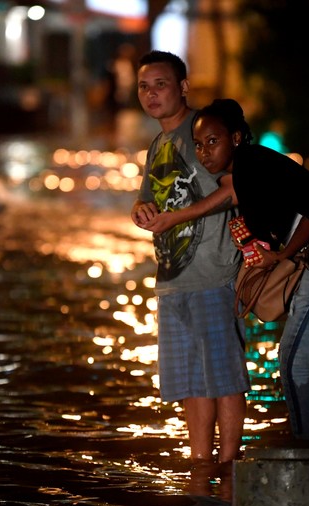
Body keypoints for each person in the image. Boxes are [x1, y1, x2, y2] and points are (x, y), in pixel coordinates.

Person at [165, 98, 309, 461]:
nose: (204, 152)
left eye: (213, 141)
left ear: (235, 137)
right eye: (199, 144)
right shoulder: (252, 168)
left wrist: (282, 255)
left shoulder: (252, 164)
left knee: (293, 363)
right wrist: (262, 245)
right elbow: (296, 214)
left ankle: (306, 460)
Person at [130, 51, 249, 467]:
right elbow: (149, 195)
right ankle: (201, 469)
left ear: (182, 87)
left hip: (214, 274)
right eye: (144, 86)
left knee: (225, 378)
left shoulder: (205, 128)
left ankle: (229, 469)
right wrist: (139, 209)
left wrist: (179, 216)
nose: (151, 94)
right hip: (172, 279)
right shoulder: (159, 143)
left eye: (160, 84)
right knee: (190, 384)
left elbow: (236, 189)